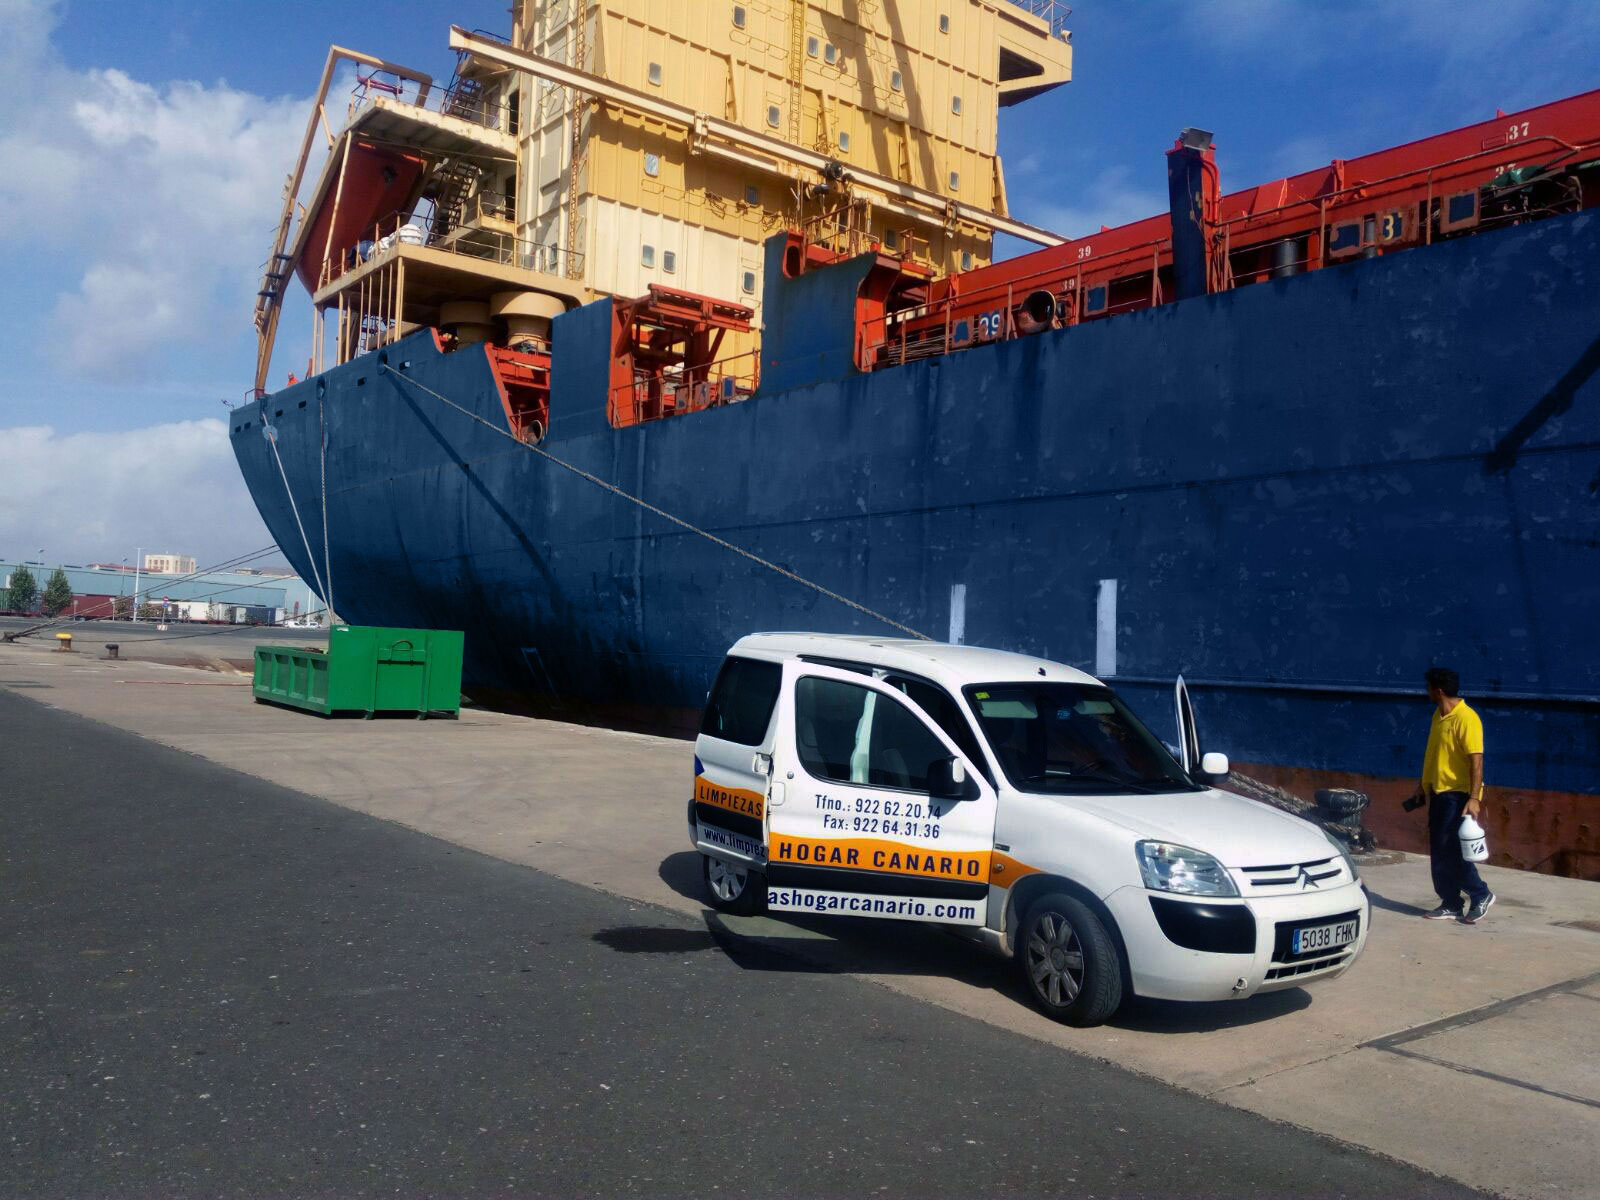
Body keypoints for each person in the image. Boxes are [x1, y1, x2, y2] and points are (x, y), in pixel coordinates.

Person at [1417, 666, 1494, 924]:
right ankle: (1450, 902)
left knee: (1452, 851)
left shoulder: (1467, 718)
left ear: (1438, 690)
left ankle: (1480, 893)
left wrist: (1474, 798)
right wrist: (1423, 785)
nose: (1426, 691)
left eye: (1428, 687)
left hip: (1458, 797)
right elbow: (1433, 755)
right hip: (1439, 794)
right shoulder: (1438, 716)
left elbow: (1476, 761)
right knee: (1439, 851)